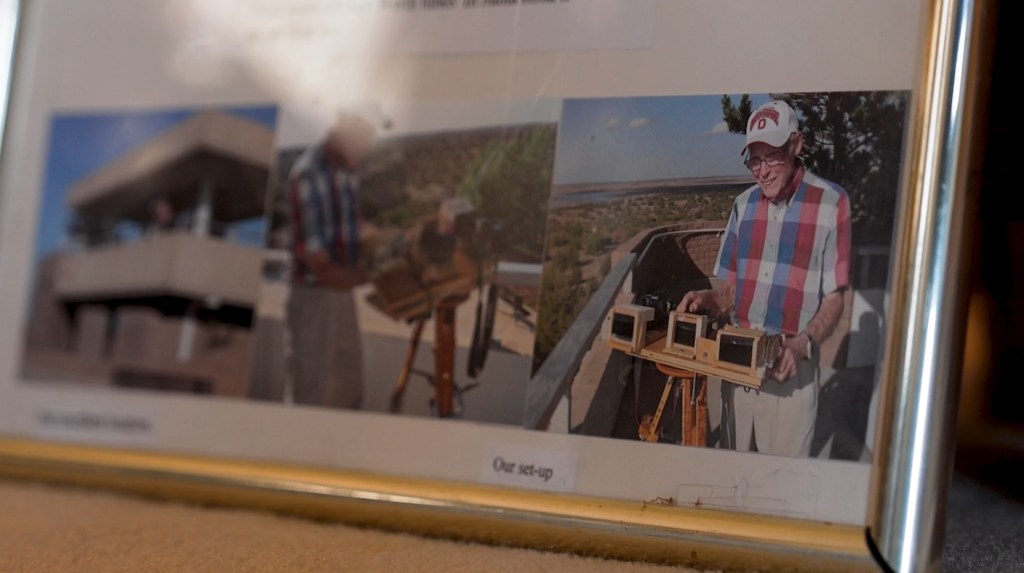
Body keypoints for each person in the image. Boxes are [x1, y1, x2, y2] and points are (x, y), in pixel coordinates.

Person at [678, 99, 851, 457]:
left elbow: (834, 298)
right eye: (754, 159)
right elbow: (732, 290)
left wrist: (803, 343)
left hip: (791, 366)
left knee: (781, 481)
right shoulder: (743, 205)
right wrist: (707, 299)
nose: (762, 171)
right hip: (736, 360)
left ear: (796, 145)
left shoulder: (831, 203)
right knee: (732, 472)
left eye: (772, 155)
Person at [281, 112, 377, 409]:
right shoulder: (309, 173)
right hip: (314, 298)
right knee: (312, 394)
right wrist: (369, 278)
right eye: (362, 138)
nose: (366, 147)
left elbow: (351, 234)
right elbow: (320, 266)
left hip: (341, 293)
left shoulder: (346, 170)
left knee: (349, 390)